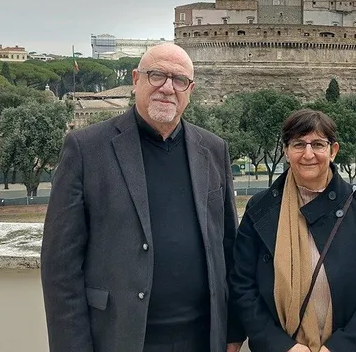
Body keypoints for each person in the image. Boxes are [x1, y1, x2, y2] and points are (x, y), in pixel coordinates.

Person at [41, 44, 244, 352]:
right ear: (136, 80)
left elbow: (228, 245)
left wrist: (233, 331)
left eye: (179, 80)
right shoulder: (86, 149)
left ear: (190, 90)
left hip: (203, 339)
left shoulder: (214, 149)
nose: (167, 88)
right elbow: (60, 268)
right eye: (157, 75)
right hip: (120, 338)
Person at [231, 109, 356, 352]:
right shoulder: (261, 208)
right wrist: (282, 346)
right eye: (299, 144)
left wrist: (341, 346)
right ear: (286, 151)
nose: (308, 154)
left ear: (333, 150)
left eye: (318, 144)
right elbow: (242, 284)